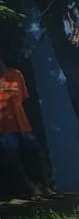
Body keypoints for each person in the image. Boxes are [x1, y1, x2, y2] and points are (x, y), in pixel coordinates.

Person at [1, 58, 50, 200]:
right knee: (13, 160)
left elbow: (23, 98)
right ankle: (31, 189)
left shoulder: (16, 74)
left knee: (36, 155)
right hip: (4, 129)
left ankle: (46, 187)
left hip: (23, 125)